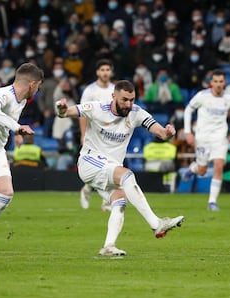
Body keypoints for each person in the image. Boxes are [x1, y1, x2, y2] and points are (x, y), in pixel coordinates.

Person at [56, 80, 184, 257]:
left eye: (132, 99)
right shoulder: (97, 107)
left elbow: (160, 132)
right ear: (113, 96)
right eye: (124, 100)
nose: (128, 104)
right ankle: (156, 224)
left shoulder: (136, 113)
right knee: (127, 175)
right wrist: (62, 109)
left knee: (120, 201)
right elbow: (67, 113)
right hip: (89, 162)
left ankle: (108, 246)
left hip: (110, 167)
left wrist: (167, 133)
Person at [0, 62, 44, 262]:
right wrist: (16, 127)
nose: (38, 90)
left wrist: (15, 132)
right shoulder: (3, 94)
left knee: (6, 193)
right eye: (38, 86)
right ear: (31, 84)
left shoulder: (21, 101)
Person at [181, 69, 230, 211]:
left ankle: (212, 202)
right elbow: (188, 110)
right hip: (203, 137)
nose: (218, 84)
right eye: (215, 81)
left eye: (221, 81)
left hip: (220, 136)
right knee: (202, 170)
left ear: (225, 82)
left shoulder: (229, 97)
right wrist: (188, 132)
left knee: (219, 165)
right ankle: (193, 169)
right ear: (211, 83)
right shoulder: (202, 96)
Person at [78, 59, 115, 211]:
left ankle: (103, 199)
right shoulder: (90, 91)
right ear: (97, 72)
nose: (105, 72)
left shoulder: (115, 89)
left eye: (107, 69)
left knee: (112, 165)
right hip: (94, 135)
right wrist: (83, 134)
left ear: (111, 72)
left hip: (112, 135)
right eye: (102, 70)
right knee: (99, 166)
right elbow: (82, 114)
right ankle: (90, 190)